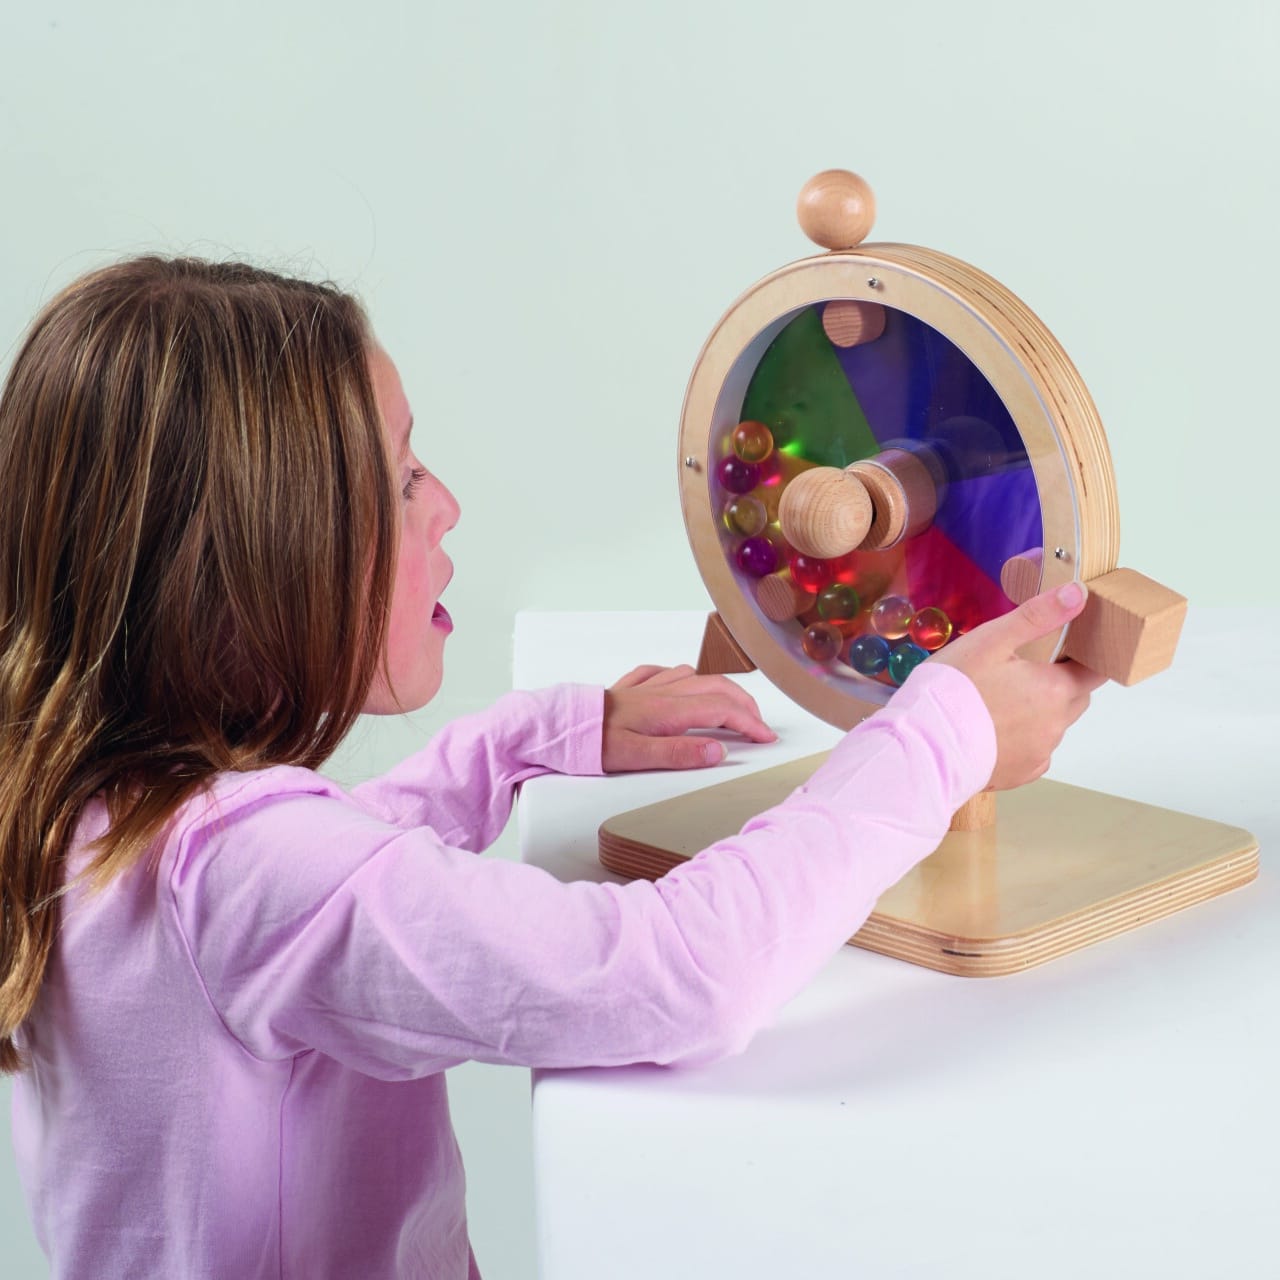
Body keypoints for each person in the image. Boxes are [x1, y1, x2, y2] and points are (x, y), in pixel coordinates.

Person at [0, 257, 1103, 1279]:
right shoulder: (248, 875)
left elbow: (334, 872)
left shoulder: (97, 814)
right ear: (246, 566)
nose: (446, 503)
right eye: (400, 479)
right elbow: (674, 974)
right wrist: (941, 733)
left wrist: (528, 738)